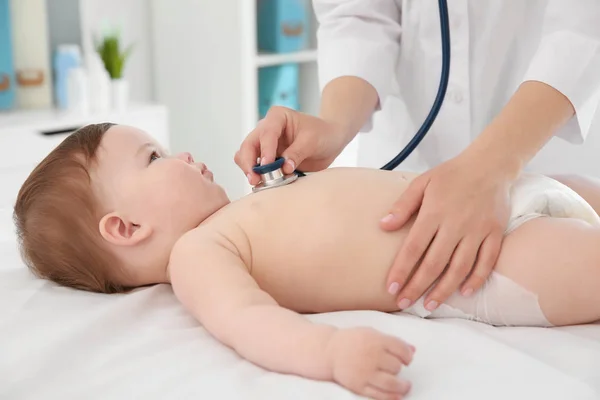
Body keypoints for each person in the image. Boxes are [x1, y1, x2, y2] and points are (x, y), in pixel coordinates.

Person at [14, 124, 600, 400]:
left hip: (474, 199)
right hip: (470, 262)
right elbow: (249, 322)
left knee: (578, 185)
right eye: (154, 157)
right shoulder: (200, 254)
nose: (184, 153)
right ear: (125, 228)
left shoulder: (241, 212)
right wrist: (330, 353)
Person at [235, 1, 600, 312]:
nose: (186, 156)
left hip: (539, 142)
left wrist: (492, 165)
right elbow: (358, 14)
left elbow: (584, 23)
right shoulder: (207, 246)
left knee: (575, 200)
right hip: (463, 226)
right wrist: (333, 124)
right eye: (173, 158)